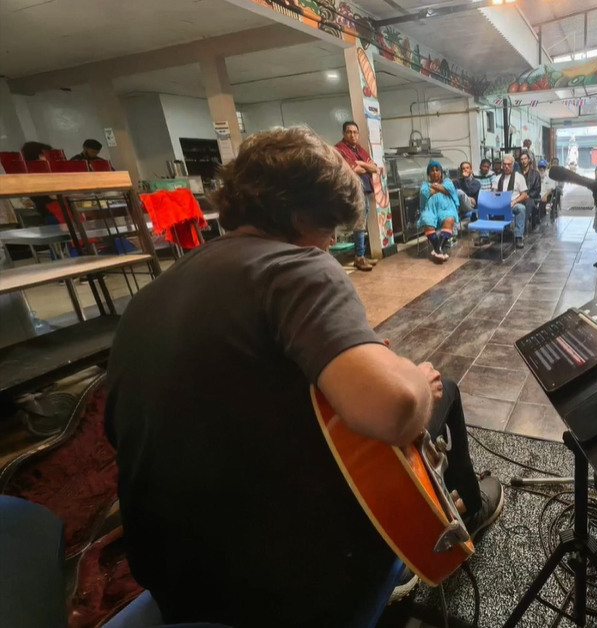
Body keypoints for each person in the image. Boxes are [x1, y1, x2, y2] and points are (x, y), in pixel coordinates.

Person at [104, 126, 504, 628]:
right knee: (439, 389)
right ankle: (465, 514)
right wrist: (417, 382)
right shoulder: (296, 267)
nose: (332, 243)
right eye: (328, 228)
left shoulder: (149, 298)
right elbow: (394, 409)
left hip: (172, 580)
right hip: (290, 595)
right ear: (296, 217)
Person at [335, 121, 380, 272]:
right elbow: (353, 169)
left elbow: (374, 168)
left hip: (365, 190)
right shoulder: (339, 149)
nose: (352, 135)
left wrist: (361, 163)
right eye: (349, 132)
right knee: (359, 223)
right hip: (353, 191)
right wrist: (361, 166)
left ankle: (361, 255)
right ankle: (359, 257)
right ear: (343, 134)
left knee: (362, 223)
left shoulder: (360, 150)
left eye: (355, 132)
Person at [419, 160, 460, 263]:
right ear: (429, 173)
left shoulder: (447, 181)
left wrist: (434, 187)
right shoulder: (424, 184)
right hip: (430, 209)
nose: (435, 172)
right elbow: (425, 193)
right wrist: (441, 189)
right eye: (432, 170)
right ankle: (439, 249)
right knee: (426, 220)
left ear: (441, 172)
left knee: (449, 219)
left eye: (437, 170)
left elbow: (449, 189)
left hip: (446, 208)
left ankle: (438, 249)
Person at [493, 153, 529, 249]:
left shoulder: (519, 177)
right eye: (504, 164)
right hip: (500, 205)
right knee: (485, 207)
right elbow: (493, 192)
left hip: (514, 203)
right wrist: (496, 199)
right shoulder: (497, 178)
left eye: (509, 164)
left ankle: (518, 237)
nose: (506, 166)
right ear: (502, 165)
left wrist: (515, 202)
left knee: (521, 208)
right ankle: (485, 235)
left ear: (513, 165)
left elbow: (524, 194)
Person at [520, 151, 541, 228]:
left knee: (528, 203)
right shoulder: (517, 174)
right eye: (521, 159)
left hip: (531, 197)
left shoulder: (535, 174)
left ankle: (523, 228)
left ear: (529, 160)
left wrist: (528, 196)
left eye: (525, 158)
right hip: (519, 197)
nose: (523, 161)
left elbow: (537, 189)